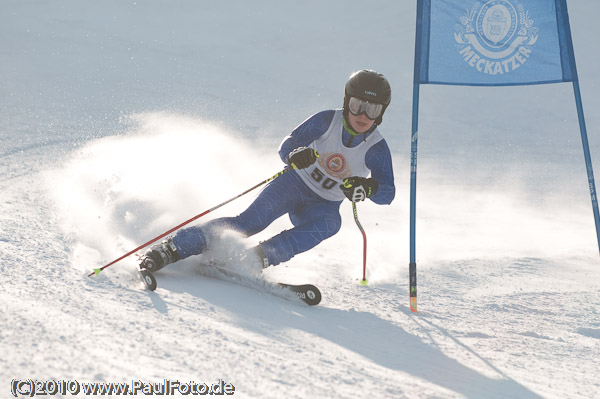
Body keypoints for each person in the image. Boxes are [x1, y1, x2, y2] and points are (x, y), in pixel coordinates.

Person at [140, 69, 395, 273]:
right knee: (250, 223)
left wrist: (369, 187)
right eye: (357, 105)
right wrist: (295, 154)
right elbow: (288, 144)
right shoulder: (326, 121)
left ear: (381, 114)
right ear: (347, 102)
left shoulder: (376, 148)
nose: (363, 114)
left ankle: (256, 259)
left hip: (323, 205)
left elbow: (388, 193)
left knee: (332, 223)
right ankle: (172, 248)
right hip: (292, 185)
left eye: (372, 109)